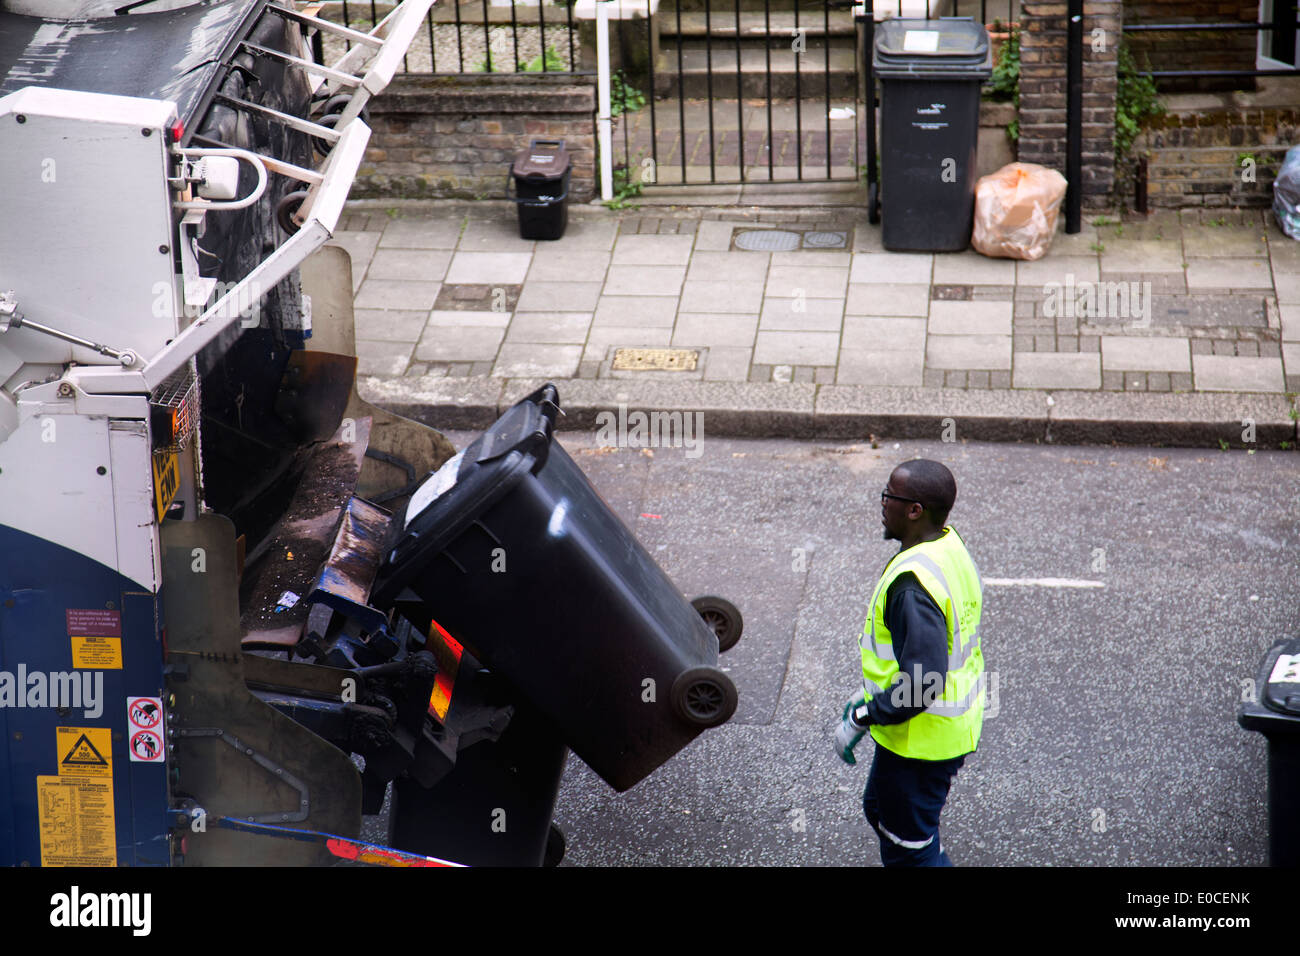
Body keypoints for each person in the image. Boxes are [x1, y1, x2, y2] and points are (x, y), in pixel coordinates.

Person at [833, 458, 985, 866]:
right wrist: (876, 693)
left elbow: (922, 682)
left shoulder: (913, 584)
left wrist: (864, 714)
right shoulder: (947, 545)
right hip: (928, 731)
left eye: (889, 495)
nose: (883, 503)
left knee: (911, 852)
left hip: (923, 741)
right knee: (882, 812)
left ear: (914, 510)